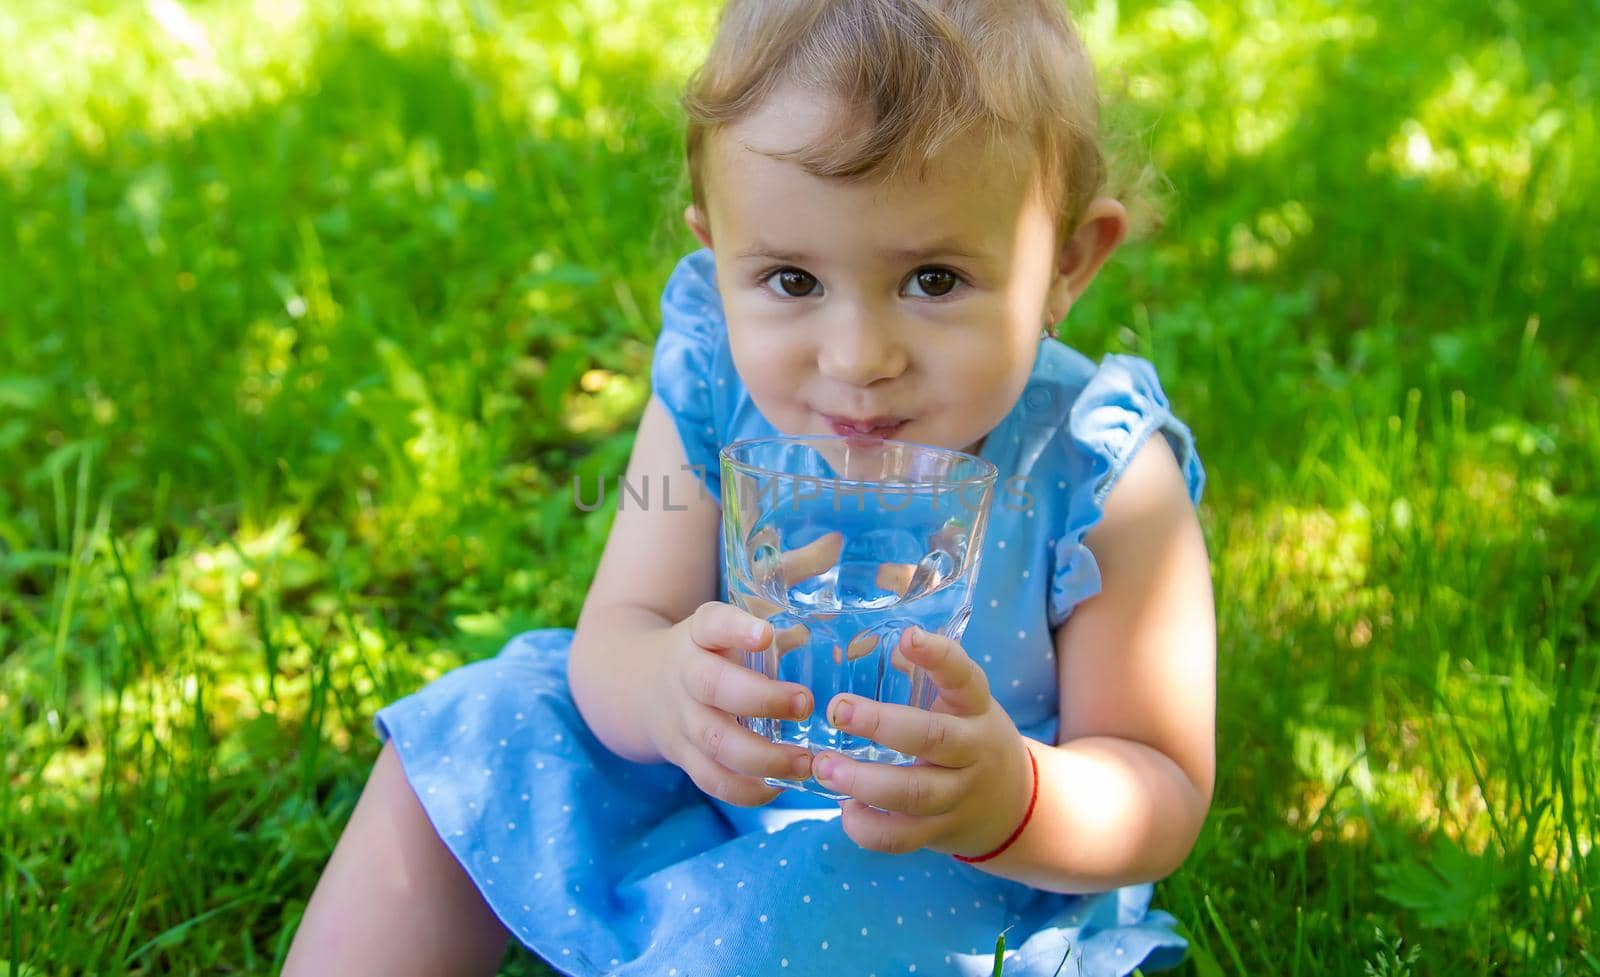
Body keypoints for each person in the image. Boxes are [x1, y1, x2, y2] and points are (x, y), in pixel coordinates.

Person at [282, 0, 1216, 974]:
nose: (857, 359)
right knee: (482, 725)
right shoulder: (716, 389)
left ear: (1069, 259)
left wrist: (1008, 795)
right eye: (791, 281)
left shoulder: (1097, 466)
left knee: (773, 928)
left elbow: (1157, 783)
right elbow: (620, 629)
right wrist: (662, 691)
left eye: (934, 280)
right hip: (709, 781)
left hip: (935, 854)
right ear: (716, 250)